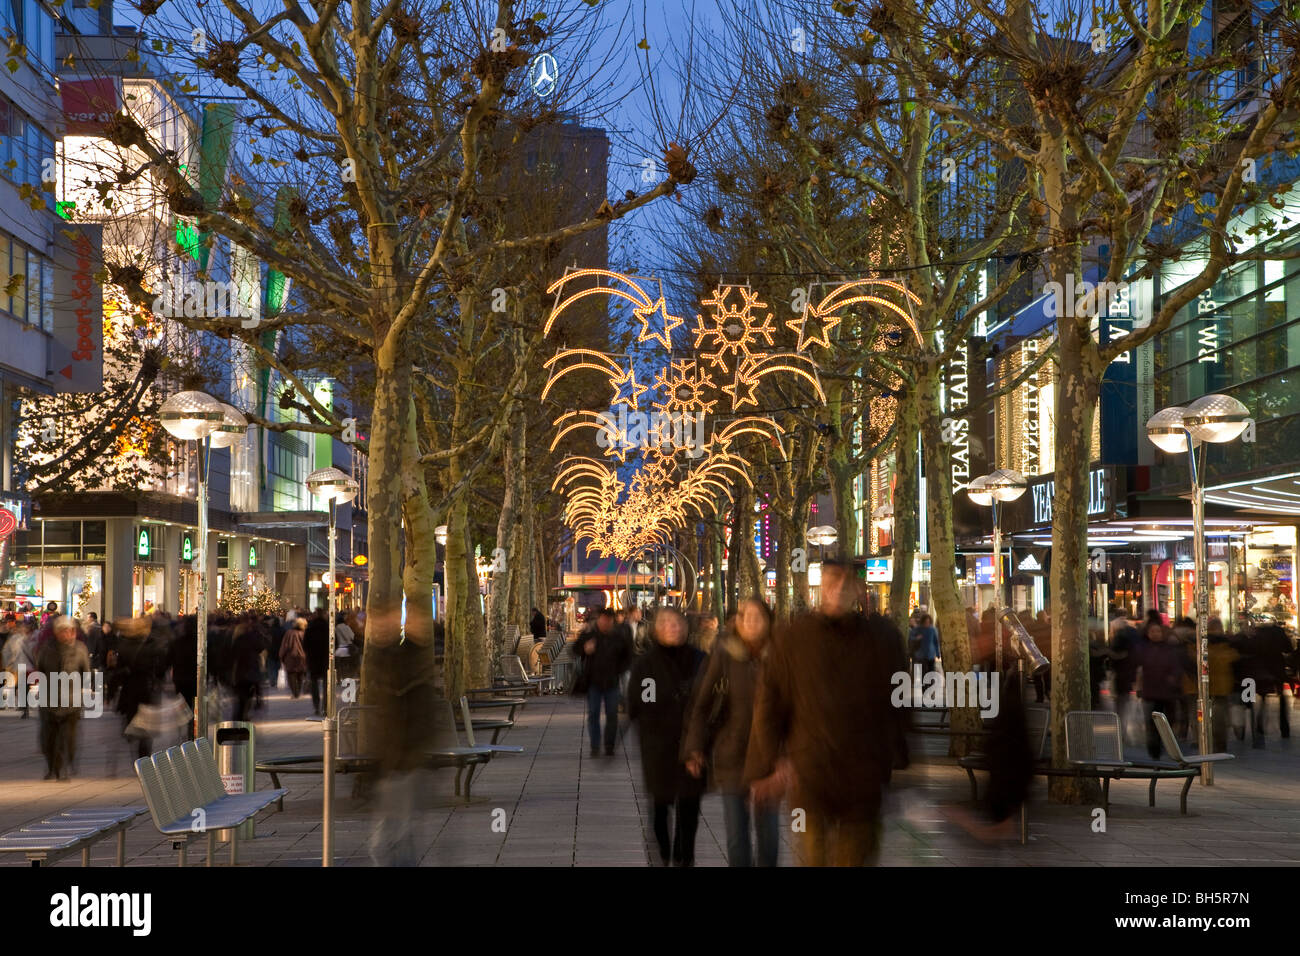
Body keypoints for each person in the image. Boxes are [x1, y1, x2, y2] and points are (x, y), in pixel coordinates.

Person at [744, 559, 909, 866]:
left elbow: (898, 704)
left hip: (863, 781)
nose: (839, 589)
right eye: (832, 581)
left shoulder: (882, 638)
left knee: (854, 857)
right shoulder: (794, 637)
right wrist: (769, 764)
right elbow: (769, 703)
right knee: (811, 857)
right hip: (809, 779)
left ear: (859, 590)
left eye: (847, 583)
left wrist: (899, 760)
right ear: (821, 586)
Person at [684, 596, 777, 866]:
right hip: (732, 758)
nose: (752, 622)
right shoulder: (724, 653)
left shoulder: (781, 656)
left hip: (768, 761)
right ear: (737, 621)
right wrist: (694, 748)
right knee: (737, 837)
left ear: (769, 621)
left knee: (769, 838)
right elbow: (701, 705)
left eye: (758, 617)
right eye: (746, 616)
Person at [627, 606, 706, 866]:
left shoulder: (700, 660)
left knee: (689, 811)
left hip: (692, 748)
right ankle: (664, 855)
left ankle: (685, 859)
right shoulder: (646, 664)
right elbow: (637, 705)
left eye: (677, 623)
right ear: (656, 629)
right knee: (660, 810)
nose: (673, 627)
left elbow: (713, 703)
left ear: (685, 627)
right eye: (666, 623)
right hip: (658, 750)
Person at [36, 617, 92, 780]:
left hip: (71, 700)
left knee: (68, 737)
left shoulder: (80, 649)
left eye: (72, 631)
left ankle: (64, 768)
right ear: (57, 633)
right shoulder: (47, 649)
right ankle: (52, 767)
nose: (69, 634)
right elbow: (41, 668)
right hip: (49, 699)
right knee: (48, 738)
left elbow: (85, 672)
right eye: (65, 631)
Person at [573, 608, 631, 756]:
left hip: (611, 681)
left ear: (612, 622)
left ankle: (609, 745)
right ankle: (595, 746)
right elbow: (575, 649)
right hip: (594, 682)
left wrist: (618, 670)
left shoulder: (619, 636)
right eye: (603, 620)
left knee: (612, 714)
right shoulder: (589, 635)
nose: (605, 623)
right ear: (599, 620)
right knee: (593, 714)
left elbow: (628, 657)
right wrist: (585, 649)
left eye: (608, 621)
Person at [1135, 620, 1189, 760]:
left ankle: (1164, 744)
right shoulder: (1144, 649)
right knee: (1151, 722)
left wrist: (1173, 678)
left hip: (1167, 692)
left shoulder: (1168, 649)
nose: (1155, 634)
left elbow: (1176, 667)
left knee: (1168, 720)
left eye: (1157, 631)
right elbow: (1139, 668)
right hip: (1150, 691)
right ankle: (1154, 748)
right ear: (1148, 634)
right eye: (1152, 631)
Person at [1206, 618, 1240, 752]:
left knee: (1218, 718)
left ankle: (1219, 744)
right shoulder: (1225, 644)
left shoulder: (1226, 644)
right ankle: (1217, 743)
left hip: (1221, 688)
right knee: (1217, 718)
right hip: (1216, 687)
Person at [230, 616, 267, 721]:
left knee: (241, 697)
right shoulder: (252, 638)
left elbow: (232, 656)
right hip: (251, 671)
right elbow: (262, 646)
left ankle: (240, 717)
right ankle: (244, 715)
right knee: (248, 696)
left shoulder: (237, 640)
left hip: (240, 673)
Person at [304, 608, 329, 716]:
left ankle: (316, 706)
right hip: (325, 660)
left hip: (313, 660)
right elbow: (334, 642)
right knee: (326, 685)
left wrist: (309, 654)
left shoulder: (310, 628)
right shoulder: (328, 627)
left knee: (314, 684)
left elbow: (305, 644)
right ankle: (325, 707)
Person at [280, 618, 309, 698]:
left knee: (291, 675)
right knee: (300, 675)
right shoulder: (304, 633)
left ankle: (294, 692)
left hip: (290, 657)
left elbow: (285, 645)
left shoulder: (289, 633)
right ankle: (298, 691)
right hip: (302, 657)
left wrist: (281, 656)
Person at [910, 613, 940, 681]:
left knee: (931, 670)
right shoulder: (918, 629)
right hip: (921, 654)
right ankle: (925, 687)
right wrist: (917, 638)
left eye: (928, 622)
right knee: (923, 672)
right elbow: (911, 638)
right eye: (925, 622)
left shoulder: (932, 629)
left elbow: (935, 642)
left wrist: (937, 653)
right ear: (922, 622)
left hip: (931, 654)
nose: (927, 624)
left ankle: (930, 685)